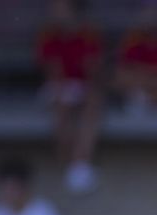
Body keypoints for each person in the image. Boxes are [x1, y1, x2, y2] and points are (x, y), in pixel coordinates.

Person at [36, 0, 104, 193]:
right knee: (61, 105)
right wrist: (63, 89)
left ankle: (79, 163)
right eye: (55, 9)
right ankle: (70, 163)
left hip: (82, 85)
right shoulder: (48, 34)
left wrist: (87, 89)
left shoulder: (89, 33)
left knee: (93, 103)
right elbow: (51, 70)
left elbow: (93, 69)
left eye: (62, 9)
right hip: (57, 86)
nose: (57, 13)